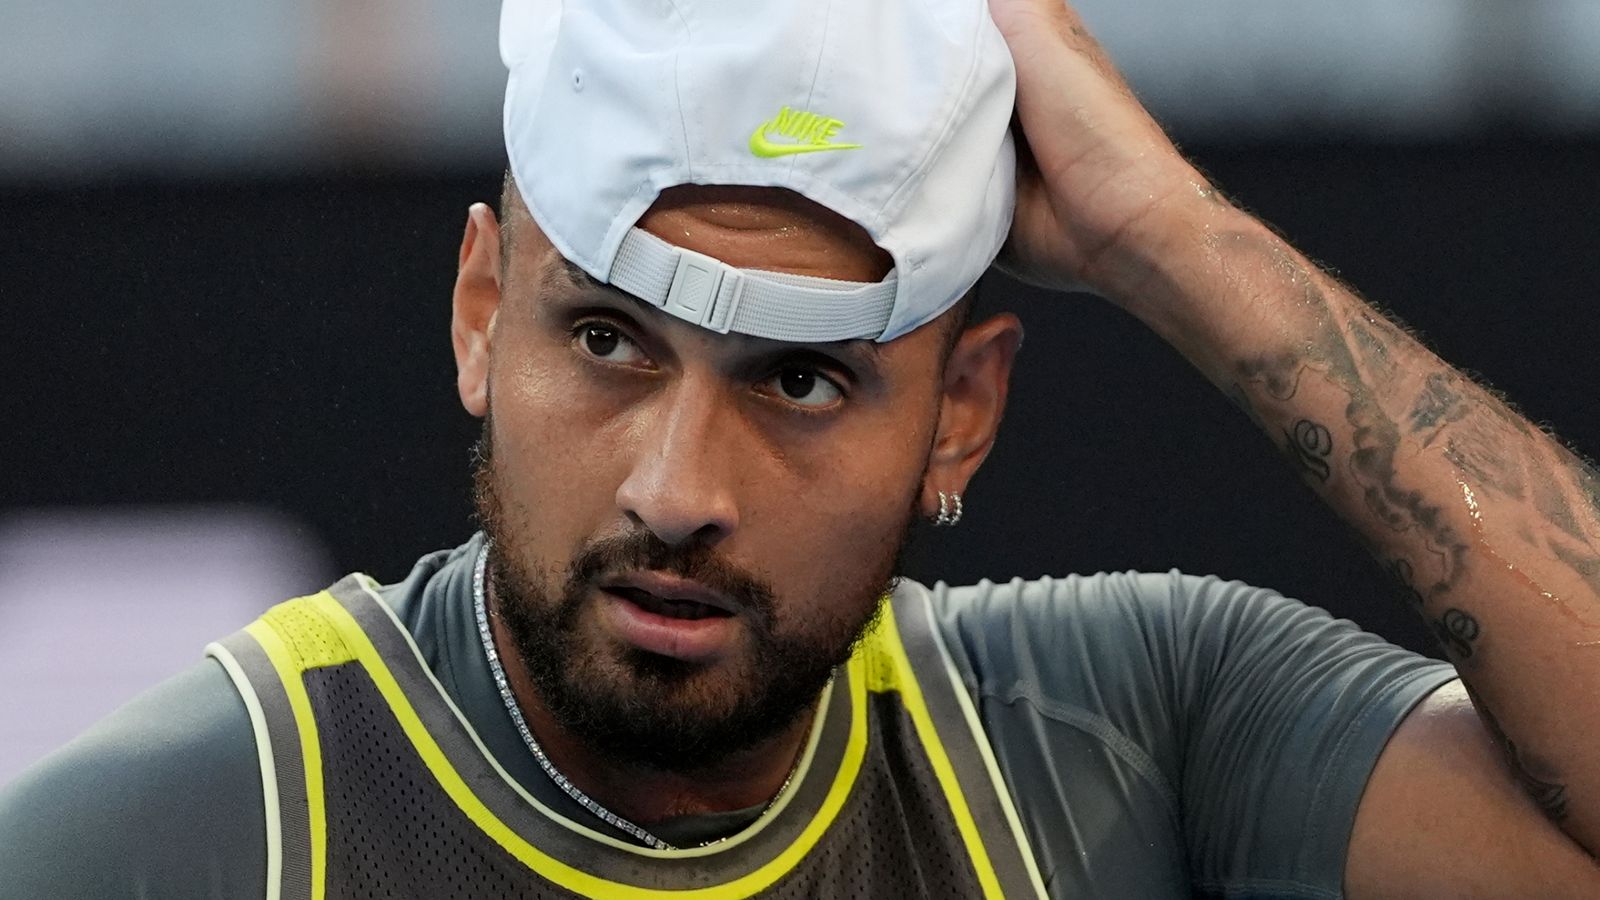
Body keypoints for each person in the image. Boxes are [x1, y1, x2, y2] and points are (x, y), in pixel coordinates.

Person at [4, 0, 1598, 895]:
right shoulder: (202, 834)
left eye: (803, 383)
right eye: (609, 342)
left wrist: (1173, 237)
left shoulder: (1134, 740)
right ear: (482, 311)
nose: (677, 492)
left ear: (960, 410)